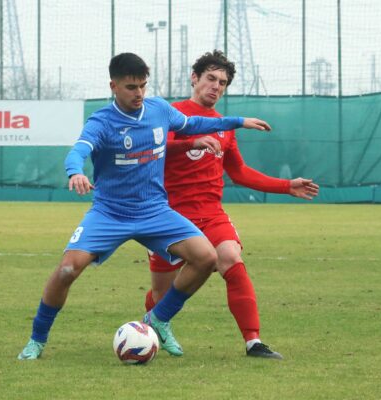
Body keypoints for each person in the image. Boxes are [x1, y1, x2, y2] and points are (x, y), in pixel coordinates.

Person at [18, 52, 273, 360]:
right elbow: (78, 151)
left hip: (155, 211)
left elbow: (192, 123)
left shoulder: (158, 109)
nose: (138, 93)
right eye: (130, 87)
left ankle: (158, 319)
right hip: (110, 213)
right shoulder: (101, 121)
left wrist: (238, 122)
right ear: (113, 86)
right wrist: (75, 172)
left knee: (207, 257)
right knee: (68, 269)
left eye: (142, 86)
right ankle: (37, 340)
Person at [143, 50, 319, 359]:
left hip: (211, 214)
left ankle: (253, 342)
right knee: (161, 295)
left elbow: (238, 171)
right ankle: (150, 326)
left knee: (230, 258)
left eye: (222, 82)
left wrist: (285, 186)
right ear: (194, 78)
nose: (216, 86)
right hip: (169, 215)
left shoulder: (224, 126)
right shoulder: (172, 114)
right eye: (210, 78)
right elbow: (154, 149)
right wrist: (191, 142)